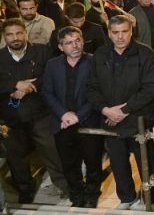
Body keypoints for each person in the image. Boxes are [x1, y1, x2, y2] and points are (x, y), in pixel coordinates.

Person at [87, 15, 154, 209]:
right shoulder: (100, 54)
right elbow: (92, 87)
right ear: (109, 33)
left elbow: (151, 87)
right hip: (110, 119)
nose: (120, 36)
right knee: (118, 163)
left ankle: (150, 198)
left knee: (146, 161)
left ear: (131, 31)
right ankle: (127, 198)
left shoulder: (145, 53)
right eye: (116, 32)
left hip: (138, 118)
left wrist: (124, 110)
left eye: (124, 31)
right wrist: (105, 110)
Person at [0, 19, 69, 203]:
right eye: (10, 34)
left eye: (18, 33)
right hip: (12, 118)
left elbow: (51, 75)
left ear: (25, 33)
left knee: (52, 152)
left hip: (41, 114)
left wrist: (30, 86)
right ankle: (26, 191)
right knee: (17, 158)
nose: (15, 38)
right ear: (4, 37)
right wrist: (14, 85)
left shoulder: (42, 52)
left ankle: (64, 186)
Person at [41, 26, 104, 208]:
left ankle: (92, 194)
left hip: (89, 121)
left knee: (93, 162)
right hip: (62, 123)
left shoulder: (94, 61)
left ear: (83, 41)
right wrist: (64, 114)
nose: (75, 45)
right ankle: (76, 194)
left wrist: (77, 116)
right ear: (61, 47)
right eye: (69, 43)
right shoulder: (52, 65)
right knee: (69, 164)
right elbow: (47, 93)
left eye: (77, 40)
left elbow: (99, 93)